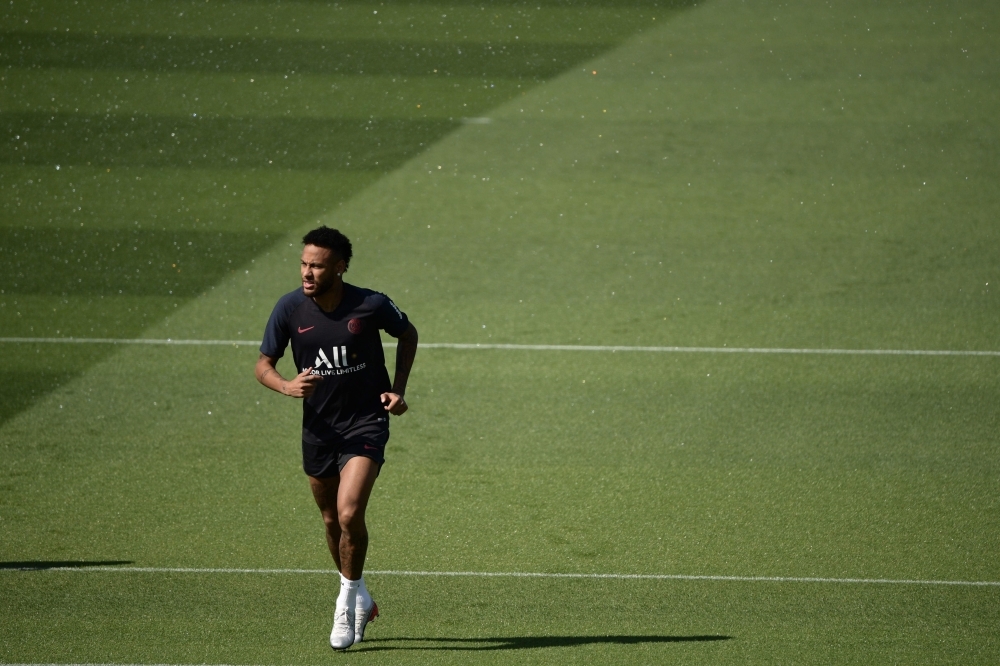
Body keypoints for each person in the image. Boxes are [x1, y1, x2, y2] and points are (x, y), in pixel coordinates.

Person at [255, 226, 418, 650]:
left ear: (340, 267)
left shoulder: (371, 304)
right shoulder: (289, 308)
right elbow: (263, 365)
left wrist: (398, 388)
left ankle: (345, 604)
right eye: (304, 264)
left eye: (317, 266)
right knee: (331, 520)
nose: (307, 273)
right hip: (319, 430)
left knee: (348, 514)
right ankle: (361, 593)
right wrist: (286, 386)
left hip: (365, 423)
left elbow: (407, 332)